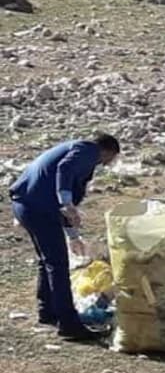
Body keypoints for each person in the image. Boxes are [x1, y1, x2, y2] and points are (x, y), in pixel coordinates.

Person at [9, 132, 120, 340]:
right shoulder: (87, 149)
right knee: (58, 264)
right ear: (108, 151)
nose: (110, 163)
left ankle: (48, 311)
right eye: (113, 158)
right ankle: (68, 325)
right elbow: (64, 170)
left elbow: (68, 203)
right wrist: (66, 202)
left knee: (48, 260)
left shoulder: (81, 161)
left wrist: (73, 236)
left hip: (26, 204)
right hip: (38, 208)